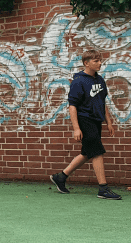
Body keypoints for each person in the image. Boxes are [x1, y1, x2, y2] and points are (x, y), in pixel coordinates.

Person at [50, 49, 120, 200]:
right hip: (84, 119)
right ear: (86, 63)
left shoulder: (100, 80)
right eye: (96, 61)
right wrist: (76, 128)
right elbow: (72, 105)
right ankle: (103, 188)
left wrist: (109, 122)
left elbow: (103, 102)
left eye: (100, 60)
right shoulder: (78, 81)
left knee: (88, 152)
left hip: (96, 120)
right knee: (97, 151)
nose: (100, 63)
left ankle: (61, 177)